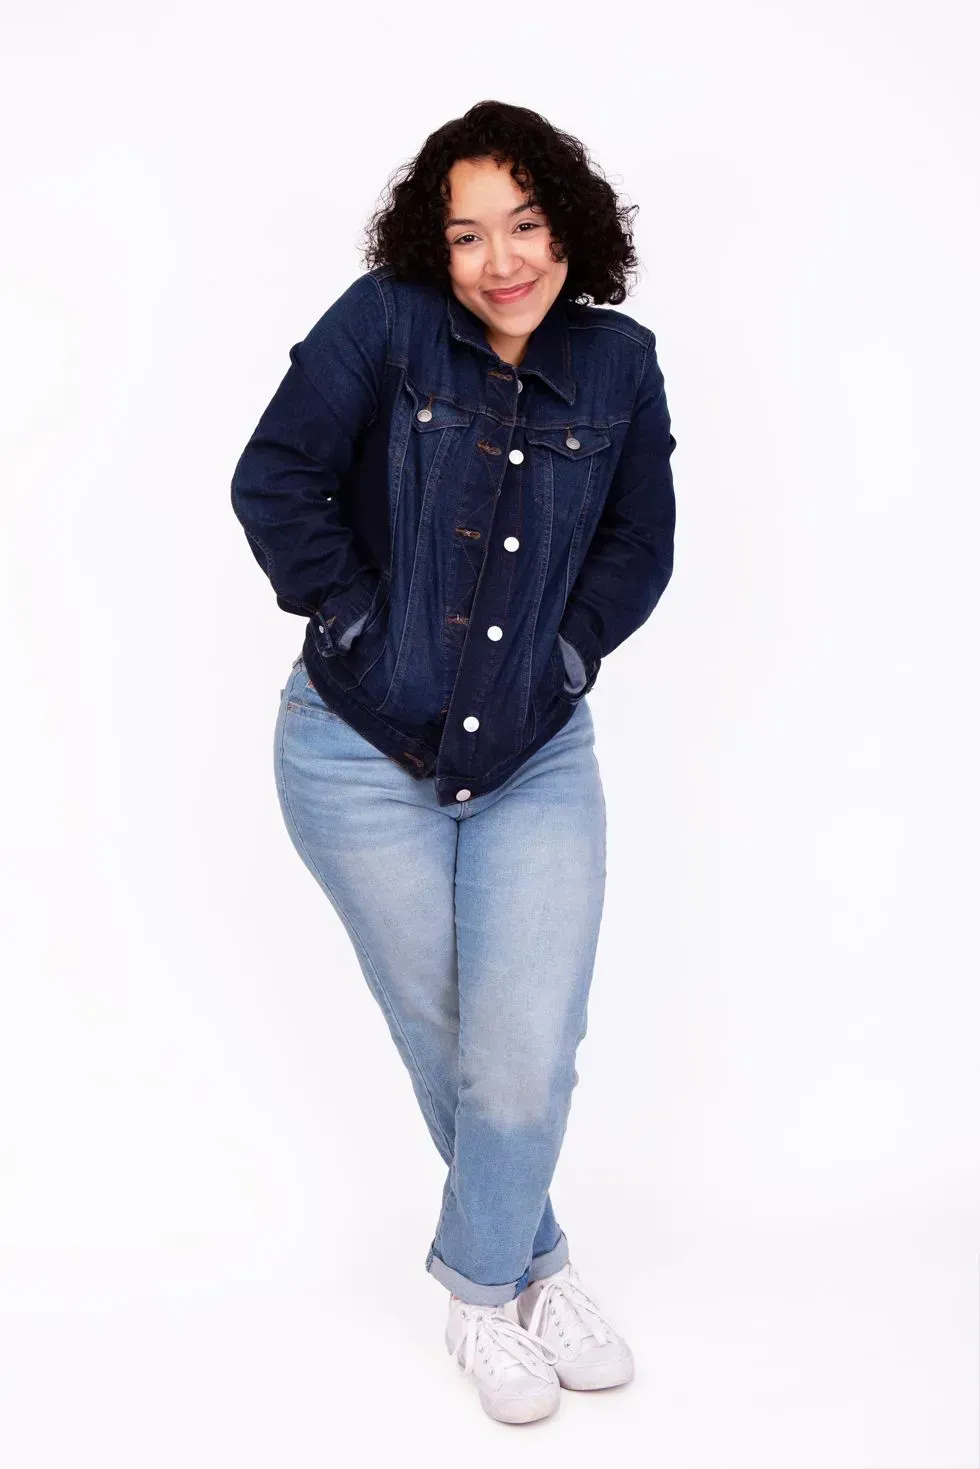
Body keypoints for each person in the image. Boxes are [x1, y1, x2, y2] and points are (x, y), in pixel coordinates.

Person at [230, 98, 677, 1425]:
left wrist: (572, 654)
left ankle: (486, 1287)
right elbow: (275, 478)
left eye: (526, 225)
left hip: (536, 751)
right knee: (452, 1036)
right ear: (435, 248)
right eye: (469, 234)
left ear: (568, 229)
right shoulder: (383, 324)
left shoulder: (620, 363)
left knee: (528, 1047)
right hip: (357, 752)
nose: (502, 260)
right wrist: (359, 620)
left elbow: (638, 545)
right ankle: (541, 1271)